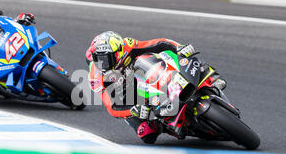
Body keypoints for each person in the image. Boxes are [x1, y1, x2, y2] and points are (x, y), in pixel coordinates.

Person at [86, 31, 226, 144]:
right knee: (147, 133)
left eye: (105, 59)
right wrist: (132, 110)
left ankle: (205, 78)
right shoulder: (96, 77)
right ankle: (163, 125)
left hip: (145, 74)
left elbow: (158, 44)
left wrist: (179, 47)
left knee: (174, 58)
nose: (102, 64)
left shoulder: (127, 45)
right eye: (97, 59)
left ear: (118, 52)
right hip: (126, 96)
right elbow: (111, 107)